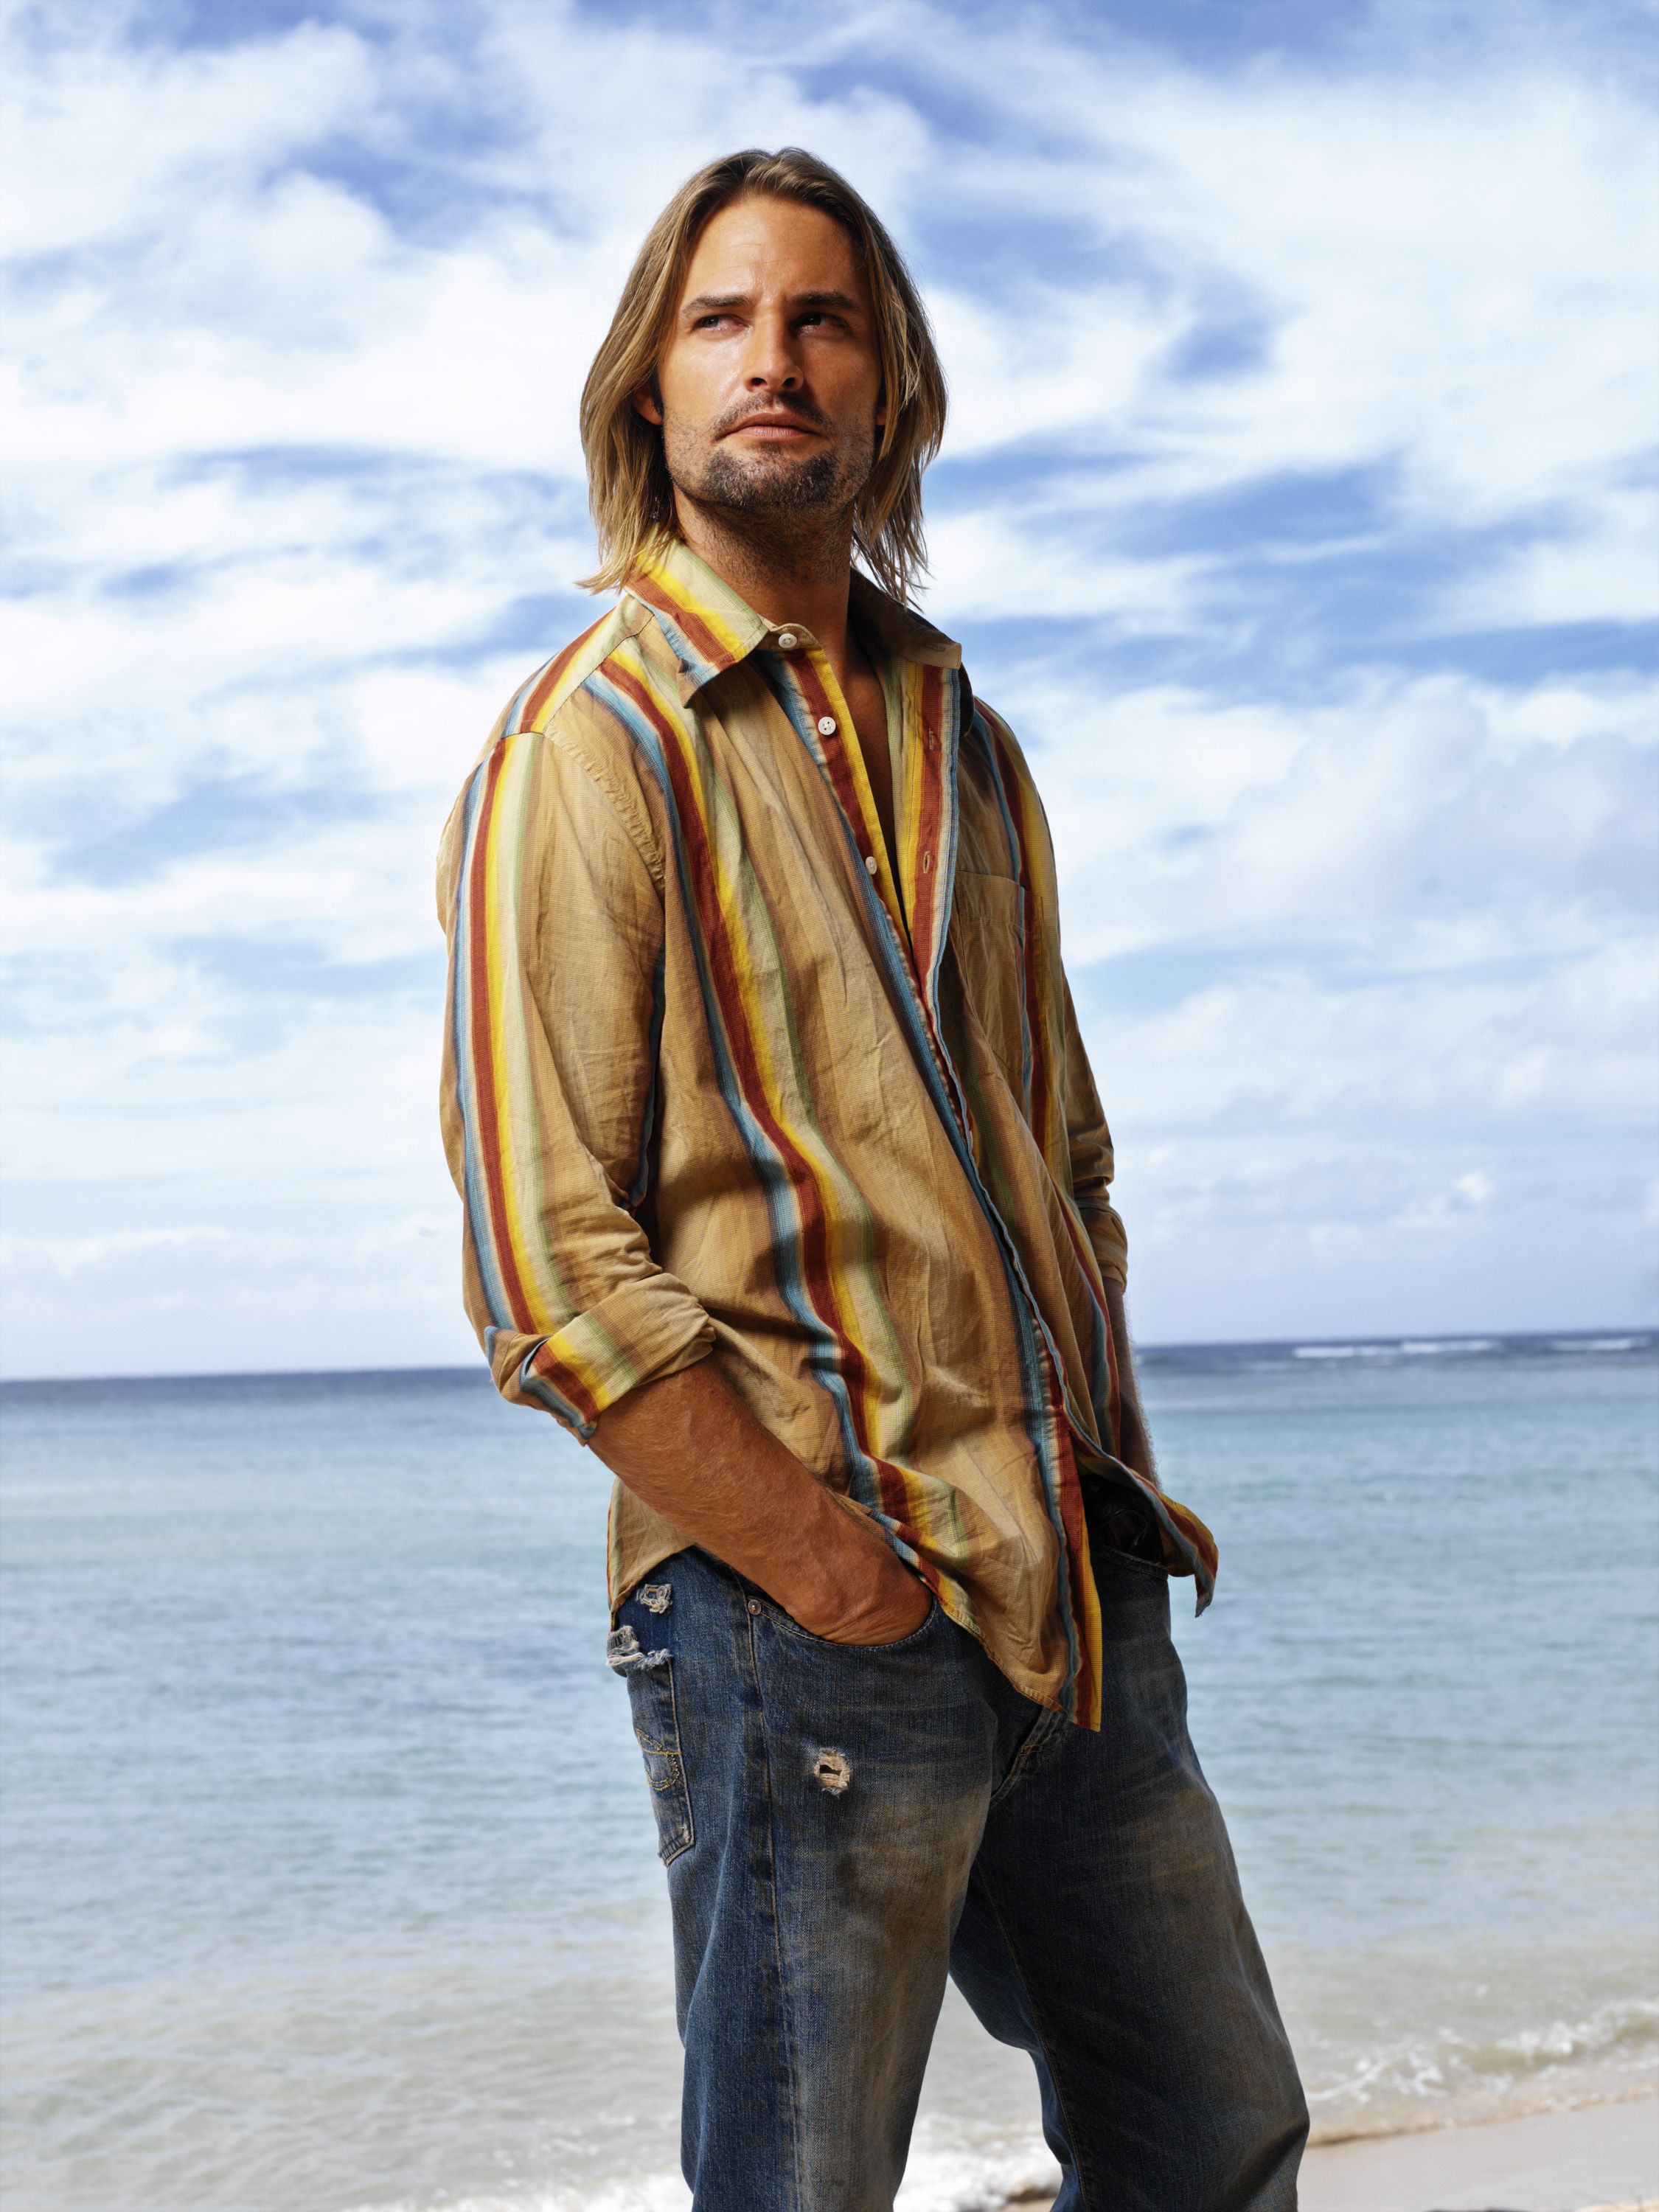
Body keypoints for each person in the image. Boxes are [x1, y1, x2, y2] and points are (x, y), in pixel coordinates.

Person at [439, 146, 1307, 2211]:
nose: (774, 360)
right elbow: (547, 1269)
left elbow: (1065, 1165)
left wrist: (1102, 1489)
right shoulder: (588, 744)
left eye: (821, 319)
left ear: (887, 387)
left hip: (1067, 1588)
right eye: (721, 321)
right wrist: (828, 1570)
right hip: (804, 1617)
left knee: (1215, 2143)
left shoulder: (969, 744)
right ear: (649, 387)